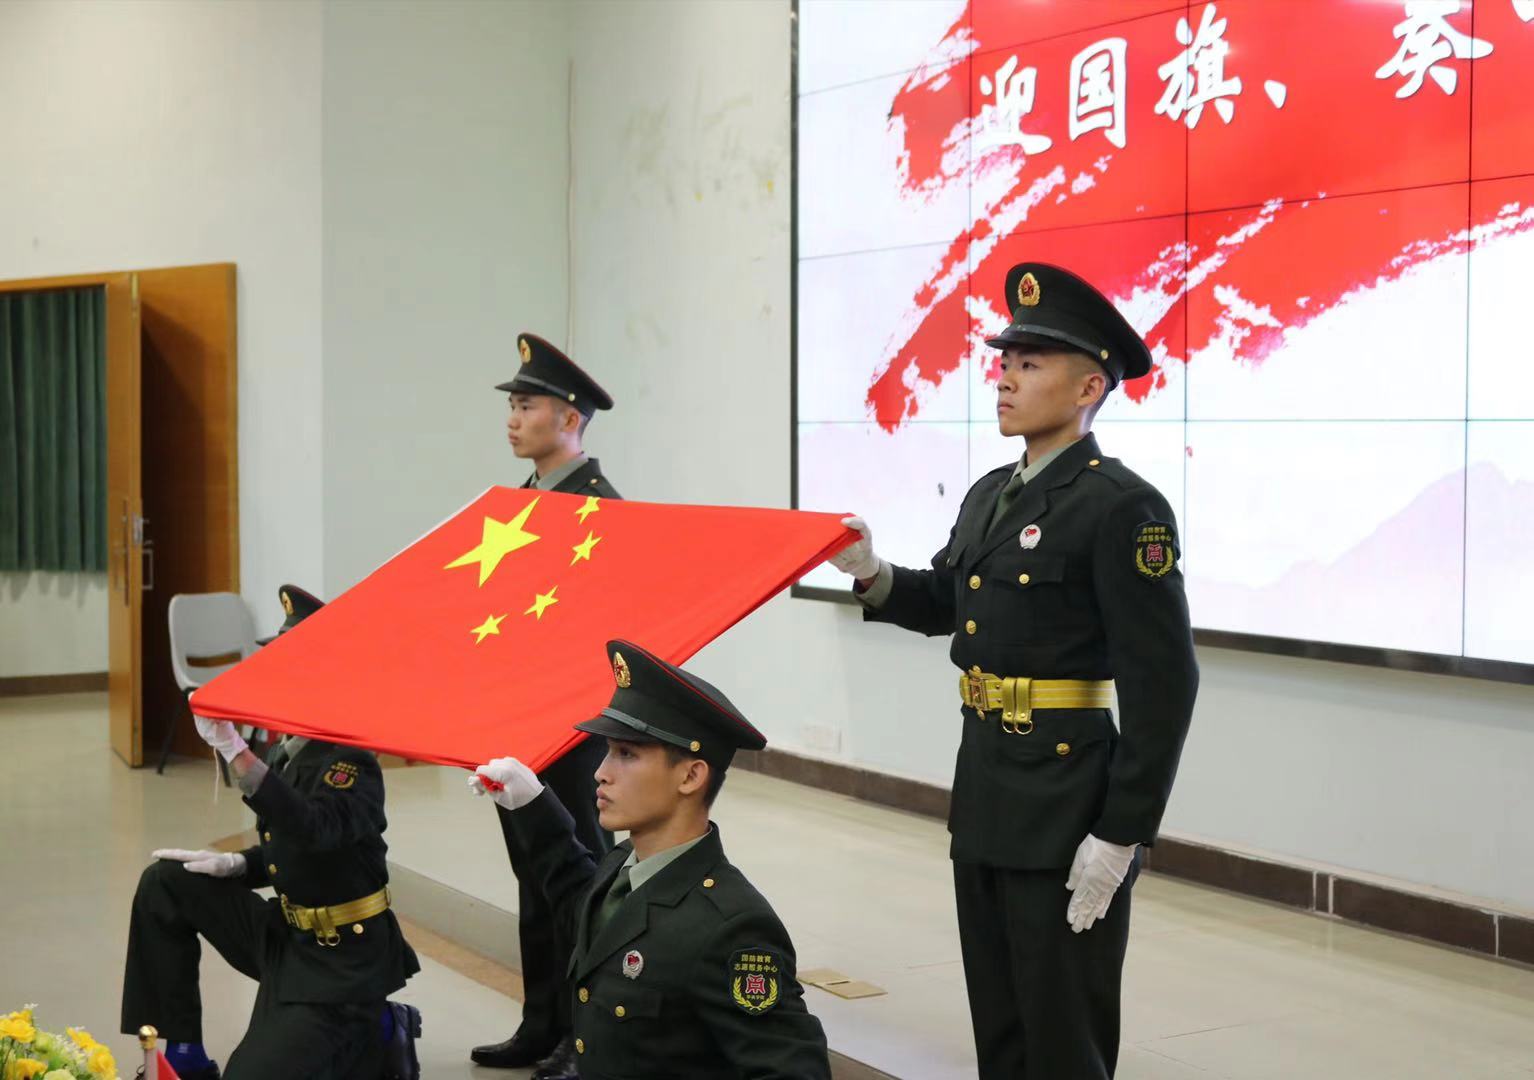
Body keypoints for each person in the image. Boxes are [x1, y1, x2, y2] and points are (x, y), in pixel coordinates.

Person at [829, 263, 1199, 1078]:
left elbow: (1164, 684)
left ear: (1089, 387)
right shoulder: (992, 493)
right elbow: (947, 601)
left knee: (1062, 1033)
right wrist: (872, 572)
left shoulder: (1121, 507)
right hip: (988, 786)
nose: (1003, 379)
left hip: (1068, 800)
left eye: (1029, 364)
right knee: (999, 1027)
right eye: (1004, 362)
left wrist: (1122, 832)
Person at [469, 640, 832, 1079]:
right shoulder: (624, 866)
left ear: (690, 775)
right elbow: (580, 906)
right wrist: (531, 804)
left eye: (627, 754)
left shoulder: (731, 926)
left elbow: (794, 1071)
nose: (601, 772)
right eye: (607, 751)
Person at [121, 585, 422, 1080]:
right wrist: (238, 864)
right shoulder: (291, 746)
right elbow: (293, 847)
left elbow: (315, 829)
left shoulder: (351, 759)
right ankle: (184, 1056)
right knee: (167, 882)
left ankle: (383, 1027)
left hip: (340, 963)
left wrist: (238, 755)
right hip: (289, 938)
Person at [470, 332, 621, 1079]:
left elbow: (605, 628)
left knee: (577, 876)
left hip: (573, 727)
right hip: (520, 722)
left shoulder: (602, 510)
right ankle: (541, 1023)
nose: (512, 418)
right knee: (533, 875)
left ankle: (585, 1037)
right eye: (512, 406)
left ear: (568, 417)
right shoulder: (518, 506)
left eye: (526, 406)